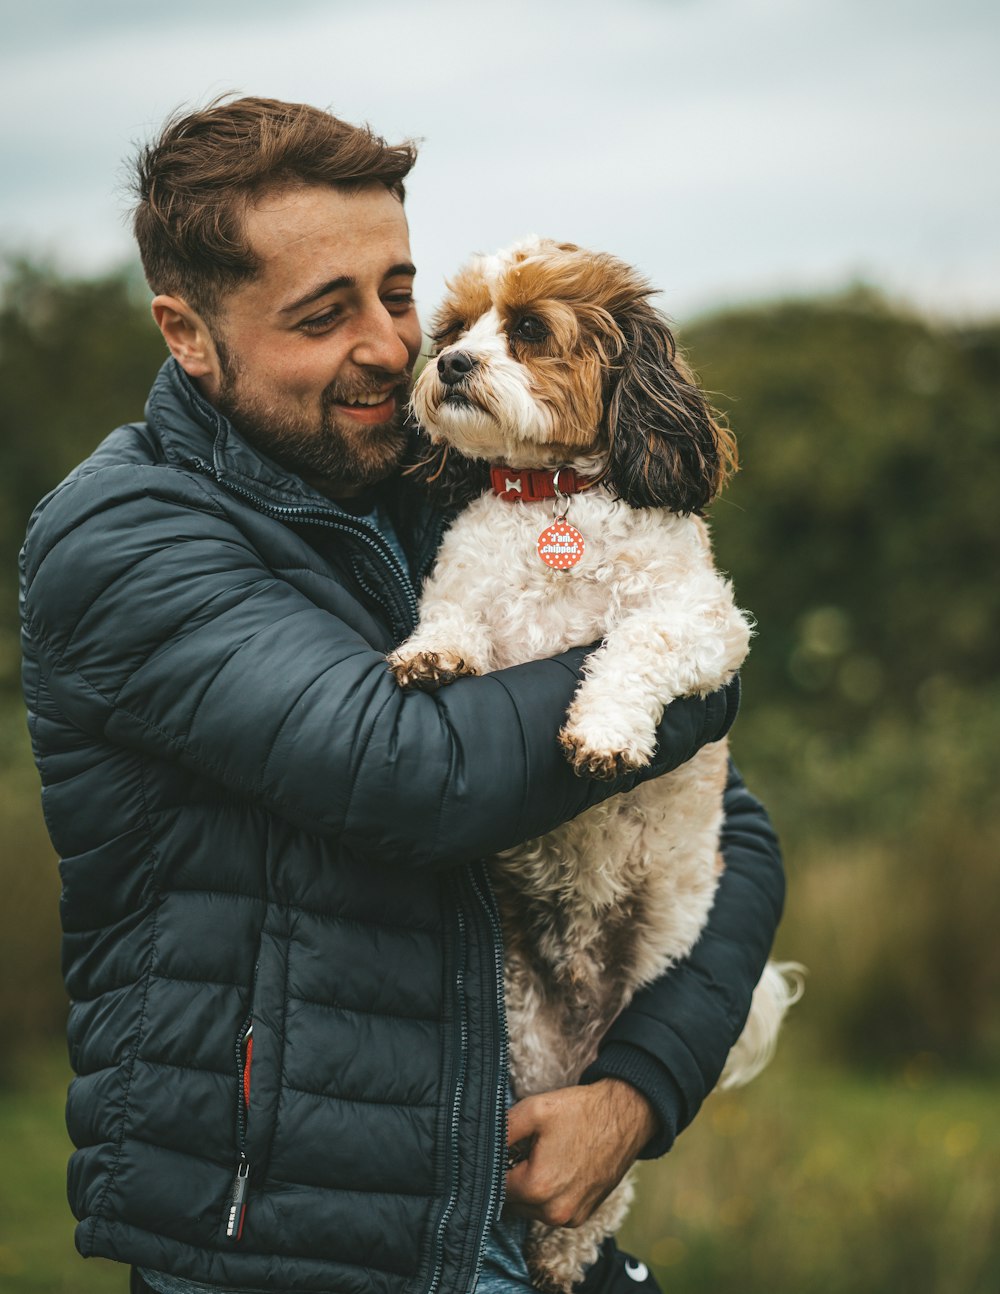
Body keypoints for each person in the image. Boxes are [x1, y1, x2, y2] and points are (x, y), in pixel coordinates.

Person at [19, 97, 785, 1294]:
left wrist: (637, 1091)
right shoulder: (124, 537)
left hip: (510, 1208)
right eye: (324, 315)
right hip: (287, 1245)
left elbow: (731, 826)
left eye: (395, 292)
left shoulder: (455, 483)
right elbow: (407, 776)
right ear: (187, 331)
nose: (390, 345)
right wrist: (689, 650)